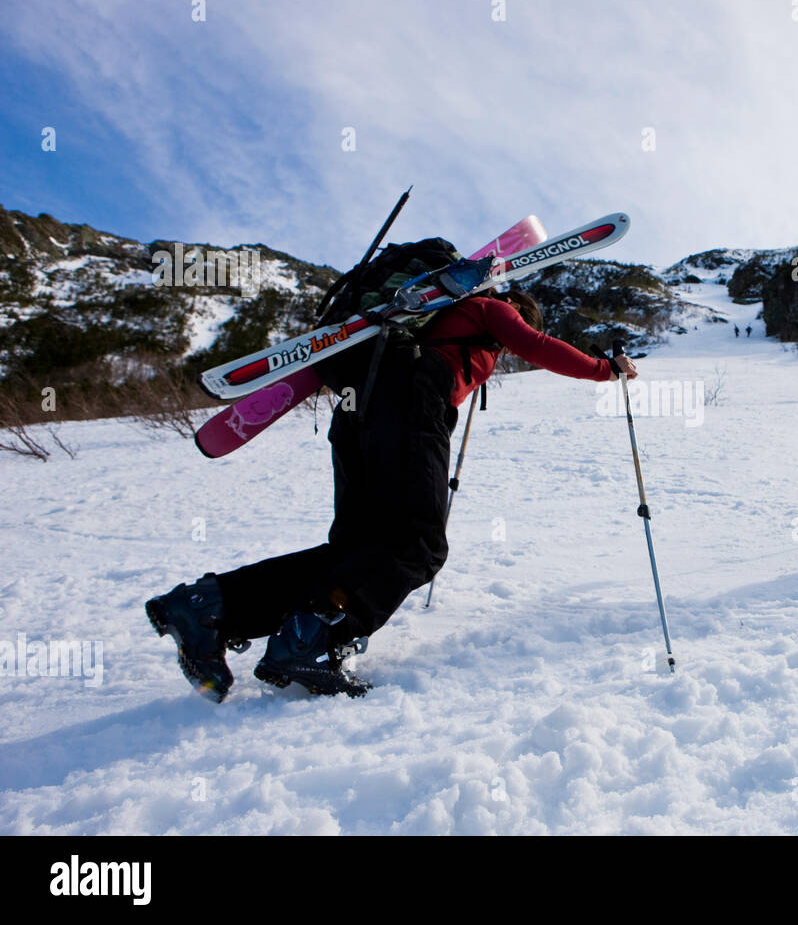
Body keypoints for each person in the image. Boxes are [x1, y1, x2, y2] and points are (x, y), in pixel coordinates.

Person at [147, 285, 637, 702]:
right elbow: (540, 345)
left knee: (356, 553)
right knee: (417, 546)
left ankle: (206, 607)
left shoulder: (415, 323)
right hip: (410, 408)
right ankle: (306, 641)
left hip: (355, 414)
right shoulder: (489, 307)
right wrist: (605, 368)